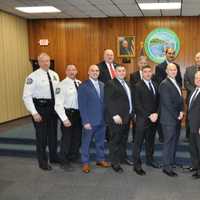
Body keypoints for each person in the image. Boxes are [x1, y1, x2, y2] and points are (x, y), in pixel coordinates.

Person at [23, 53, 60, 171]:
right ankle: (42, 162)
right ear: (38, 62)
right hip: (40, 109)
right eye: (43, 61)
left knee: (53, 135)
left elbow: (57, 93)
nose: (46, 63)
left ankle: (54, 157)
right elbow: (26, 96)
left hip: (52, 109)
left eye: (48, 61)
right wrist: (34, 113)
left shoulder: (55, 75)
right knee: (42, 137)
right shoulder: (32, 77)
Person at [78, 65, 110, 173]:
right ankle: (85, 162)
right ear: (88, 72)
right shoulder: (83, 86)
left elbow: (104, 103)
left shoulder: (102, 85)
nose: (95, 72)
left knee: (100, 142)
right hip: (90, 121)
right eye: (92, 70)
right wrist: (85, 121)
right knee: (86, 142)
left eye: (97, 71)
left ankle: (100, 159)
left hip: (102, 120)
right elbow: (82, 105)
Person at [104, 65, 133, 173]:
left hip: (127, 117)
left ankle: (123, 158)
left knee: (123, 140)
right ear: (115, 73)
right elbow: (108, 101)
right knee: (115, 141)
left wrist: (132, 113)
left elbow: (130, 99)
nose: (121, 72)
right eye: (119, 71)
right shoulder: (110, 84)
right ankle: (115, 163)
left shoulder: (127, 83)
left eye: (123, 71)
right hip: (117, 118)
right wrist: (114, 115)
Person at [133, 65, 159, 176]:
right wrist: (149, 115)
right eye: (145, 72)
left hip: (154, 120)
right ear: (142, 73)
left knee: (150, 142)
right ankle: (137, 166)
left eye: (149, 72)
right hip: (142, 120)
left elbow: (159, 101)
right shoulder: (137, 86)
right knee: (138, 143)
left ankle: (150, 160)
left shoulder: (155, 84)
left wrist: (157, 113)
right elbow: (137, 105)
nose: (148, 74)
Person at [55, 64, 82, 171]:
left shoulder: (80, 83)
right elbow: (58, 104)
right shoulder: (61, 85)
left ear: (76, 71)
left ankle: (73, 156)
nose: (72, 72)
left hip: (78, 114)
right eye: (69, 70)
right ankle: (63, 161)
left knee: (77, 137)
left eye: (74, 70)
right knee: (66, 138)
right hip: (68, 114)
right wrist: (64, 119)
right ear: (66, 72)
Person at [159, 63, 184, 177]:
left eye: (175, 70)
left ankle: (171, 162)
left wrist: (182, 111)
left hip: (176, 117)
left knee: (174, 142)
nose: (173, 71)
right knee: (168, 143)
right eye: (171, 70)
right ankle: (166, 167)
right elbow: (167, 103)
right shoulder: (164, 84)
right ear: (166, 71)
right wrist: (177, 115)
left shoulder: (176, 82)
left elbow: (180, 99)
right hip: (169, 119)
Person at [155, 48, 182, 143]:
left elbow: (179, 81)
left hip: (175, 99)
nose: (171, 55)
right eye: (169, 53)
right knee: (165, 119)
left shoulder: (177, 66)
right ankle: (162, 136)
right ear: (165, 54)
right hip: (165, 98)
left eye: (173, 53)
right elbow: (159, 83)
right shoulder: (159, 67)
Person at [97, 49, 119, 142]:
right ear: (104, 56)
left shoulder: (117, 66)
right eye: (108, 55)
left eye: (111, 55)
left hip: (117, 98)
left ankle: (115, 135)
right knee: (107, 117)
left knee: (116, 117)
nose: (110, 57)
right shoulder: (99, 67)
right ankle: (106, 137)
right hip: (106, 96)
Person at [130, 56, 148, 143]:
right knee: (136, 122)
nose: (143, 65)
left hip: (147, 103)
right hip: (137, 102)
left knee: (146, 122)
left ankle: (145, 138)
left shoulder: (150, 74)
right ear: (138, 64)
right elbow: (132, 90)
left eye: (145, 63)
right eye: (141, 63)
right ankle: (135, 139)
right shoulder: (133, 75)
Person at [184, 52, 200, 140]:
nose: (199, 59)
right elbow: (186, 82)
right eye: (197, 57)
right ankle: (188, 135)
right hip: (191, 96)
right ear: (195, 59)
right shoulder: (189, 69)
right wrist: (194, 90)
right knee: (190, 116)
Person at [188, 71, 200, 179]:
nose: (198, 79)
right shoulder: (193, 91)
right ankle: (195, 166)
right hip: (192, 125)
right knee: (193, 148)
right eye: (196, 77)